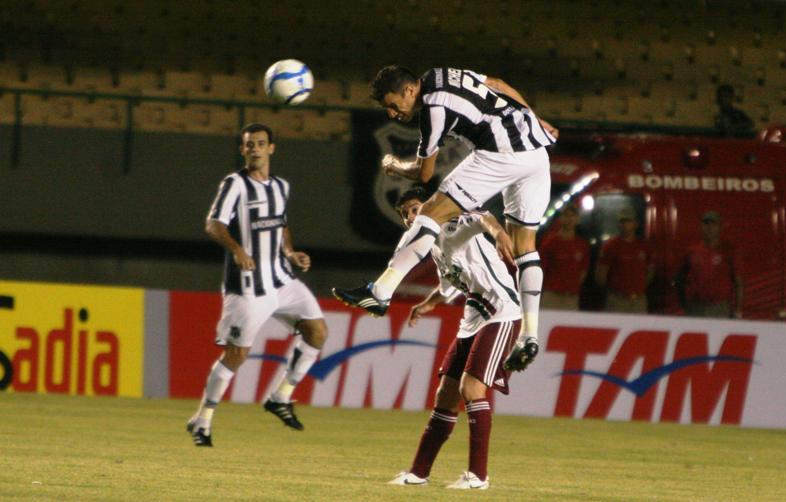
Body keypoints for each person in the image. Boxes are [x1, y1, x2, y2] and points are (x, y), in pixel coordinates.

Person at [332, 65, 558, 373]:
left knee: (429, 212)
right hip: (536, 153)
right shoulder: (440, 74)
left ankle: (380, 292)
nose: (392, 113)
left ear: (409, 90)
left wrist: (394, 164)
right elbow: (499, 82)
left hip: (502, 152)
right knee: (526, 248)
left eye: (392, 104)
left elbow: (423, 175)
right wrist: (533, 118)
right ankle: (529, 335)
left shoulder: (433, 108)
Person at [186, 123, 328, 446]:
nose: (255, 149)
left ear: (271, 149)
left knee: (317, 331)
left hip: (280, 278)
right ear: (243, 150)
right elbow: (213, 223)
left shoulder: (281, 187)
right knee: (237, 354)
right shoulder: (234, 184)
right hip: (248, 285)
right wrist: (237, 250)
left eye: (261, 144)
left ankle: (281, 397)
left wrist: (290, 253)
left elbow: (281, 223)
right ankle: (203, 420)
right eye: (249, 145)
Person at [386, 187, 521, 490]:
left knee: (471, 388)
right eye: (405, 213)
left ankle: (478, 477)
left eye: (414, 208)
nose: (411, 216)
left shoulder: (452, 223)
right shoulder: (435, 246)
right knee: (445, 395)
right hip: (473, 319)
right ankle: (419, 473)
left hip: (501, 312)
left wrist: (499, 234)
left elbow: (482, 217)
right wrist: (428, 303)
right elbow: (449, 285)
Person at [676, 211, 743, 318]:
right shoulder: (691, 251)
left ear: (720, 227)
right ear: (700, 227)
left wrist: (738, 309)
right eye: (706, 224)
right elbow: (680, 279)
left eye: (713, 224)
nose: (709, 228)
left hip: (719, 308)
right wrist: (684, 304)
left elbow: (738, 282)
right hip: (695, 307)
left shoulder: (729, 251)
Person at [595, 207, 654, 314]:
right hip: (617, 301)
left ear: (636, 224)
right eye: (622, 221)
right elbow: (600, 276)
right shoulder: (610, 246)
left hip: (638, 301)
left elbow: (650, 272)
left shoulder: (644, 246)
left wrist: (638, 288)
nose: (625, 224)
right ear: (618, 224)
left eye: (628, 221)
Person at [539, 204, 590, 311]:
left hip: (571, 298)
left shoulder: (581, 245)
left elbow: (583, 271)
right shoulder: (550, 243)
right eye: (566, 215)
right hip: (551, 296)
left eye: (573, 216)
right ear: (560, 218)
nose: (569, 219)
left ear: (577, 219)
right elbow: (541, 269)